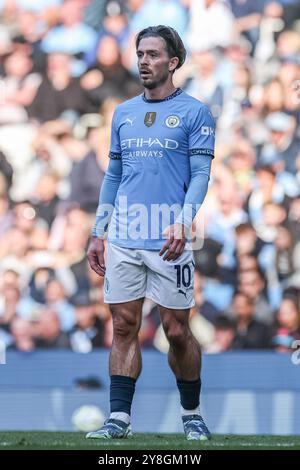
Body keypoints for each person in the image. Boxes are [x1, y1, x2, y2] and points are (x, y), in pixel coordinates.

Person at [86, 25, 215, 441]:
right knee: (123, 325)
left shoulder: (195, 112)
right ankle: (118, 420)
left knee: (176, 331)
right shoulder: (122, 113)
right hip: (124, 235)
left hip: (169, 236)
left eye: (154, 54)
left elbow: (200, 175)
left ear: (173, 62)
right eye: (140, 53)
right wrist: (98, 229)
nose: (144, 60)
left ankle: (192, 414)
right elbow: (115, 176)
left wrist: (183, 219)